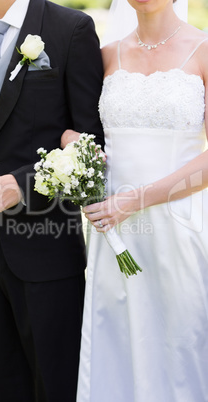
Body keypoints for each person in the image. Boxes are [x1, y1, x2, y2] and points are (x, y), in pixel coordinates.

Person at [0, 0, 104, 401]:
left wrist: (24, 185)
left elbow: (92, 144)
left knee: (57, 387)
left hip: (48, 249)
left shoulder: (72, 28)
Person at [75, 0, 208, 401]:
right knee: (116, 341)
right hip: (112, 230)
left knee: (181, 343)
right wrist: (75, 158)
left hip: (179, 227)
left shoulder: (202, 50)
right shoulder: (103, 56)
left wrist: (137, 200)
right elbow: (79, 133)